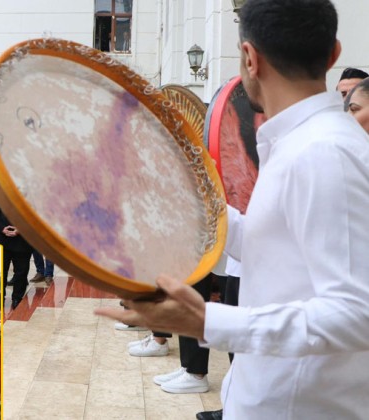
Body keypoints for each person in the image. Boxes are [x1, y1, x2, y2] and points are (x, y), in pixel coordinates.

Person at [95, 1, 369, 418]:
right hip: (265, 396)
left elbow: (357, 314)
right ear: (333, 54)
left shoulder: (324, 152)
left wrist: (206, 322)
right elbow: (274, 244)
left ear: (249, 58)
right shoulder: (298, 144)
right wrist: (181, 201)